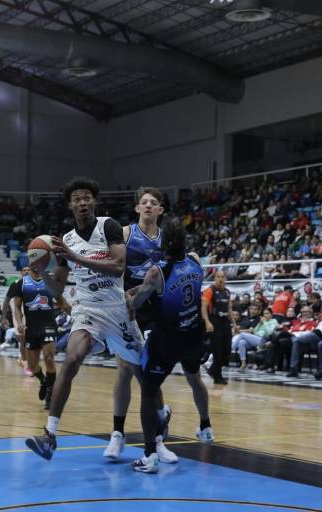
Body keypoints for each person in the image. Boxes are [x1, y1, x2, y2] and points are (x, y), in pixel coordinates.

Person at [25, 178, 152, 462]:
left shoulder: (108, 226)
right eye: (77, 199)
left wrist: (74, 258)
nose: (82, 203)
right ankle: (50, 435)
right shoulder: (65, 240)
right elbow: (57, 290)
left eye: (86, 198)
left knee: (145, 379)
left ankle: (159, 422)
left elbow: (119, 267)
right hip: (88, 311)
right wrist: (41, 271)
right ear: (70, 204)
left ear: (93, 201)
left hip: (117, 310)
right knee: (71, 360)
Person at [105, 187, 192, 460]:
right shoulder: (126, 234)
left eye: (153, 203)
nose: (148, 206)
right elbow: (112, 266)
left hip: (158, 310)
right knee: (124, 370)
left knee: (152, 375)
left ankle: (157, 440)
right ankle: (117, 435)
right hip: (129, 309)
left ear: (161, 210)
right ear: (137, 208)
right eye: (143, 202)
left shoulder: (168, 240)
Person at [126, 217, 213, 474]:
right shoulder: (196, 259)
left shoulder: (158, 272)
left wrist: (129, 294)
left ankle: (149, 454)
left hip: (167, 340)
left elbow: (137, 303)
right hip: (193, 334)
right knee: (195, 378)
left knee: (149, 390)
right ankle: (205, 427)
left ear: (164, 244)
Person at [10, 268, 60, 409]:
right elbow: (17, 307)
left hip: (49, 324)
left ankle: (50, 392)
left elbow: (61, 301)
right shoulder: (20, 283)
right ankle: (43, 380)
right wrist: (20, 322)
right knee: (32, 366)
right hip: (31, 327)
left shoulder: (49, 281)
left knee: (49, 358)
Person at [202, 269, 236, 384]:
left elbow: (229, 309)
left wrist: (234, 324)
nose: (220, 279)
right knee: (217, 351)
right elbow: (203, 308)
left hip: (225, 323)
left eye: (222, 277)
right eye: (218, 277)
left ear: (225, 279)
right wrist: (207, 322)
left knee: (227, 350)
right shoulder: (209, 290)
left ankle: (212, 370)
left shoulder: (227, 291)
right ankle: (218, 377)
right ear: (215, 278)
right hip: (214, 322)